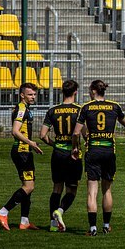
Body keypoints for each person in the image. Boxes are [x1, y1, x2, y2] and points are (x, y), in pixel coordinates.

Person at [71, 80, 125, 236]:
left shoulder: (86, 107)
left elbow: (76, 132)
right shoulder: (114, 106)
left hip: (93, 150)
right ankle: (106, 225)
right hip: (109, 150)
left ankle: (92, 228)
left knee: (92, 192)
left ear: (93, 91)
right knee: (107, 190)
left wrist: (75, 147)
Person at [0, 82, 44, 230]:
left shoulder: (25, 108)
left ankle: (24, 221)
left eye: (34, 94)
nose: (33, 97)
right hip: (22, 151)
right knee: (29, 186)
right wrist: (31, 143)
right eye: (30, 94)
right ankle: (3, 212)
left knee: (28, 186)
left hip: (25, 151)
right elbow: (15, 131)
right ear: (22, 95)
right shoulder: (22, 109)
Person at [39, 79, 84, 232]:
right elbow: (84, 134)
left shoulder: (52, 110)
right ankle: (60, 211)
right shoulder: (79, 110)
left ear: (62, 92)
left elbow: (42, 135)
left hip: (57, 153)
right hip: (73, 154)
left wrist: (55, 144)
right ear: (75, 92)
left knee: (57, 188)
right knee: (72, 189)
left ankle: (53, 225)